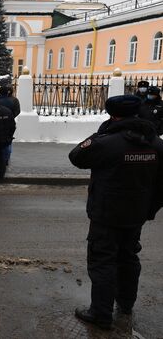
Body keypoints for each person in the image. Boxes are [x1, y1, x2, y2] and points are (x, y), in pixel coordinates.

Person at [69, 95, 163, 330]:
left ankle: (100, 313)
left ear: (113, 115)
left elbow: (76, 156)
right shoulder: (155, 143)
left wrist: (101, 133)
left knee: (103, 260)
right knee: (128, 258)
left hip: (106, 214)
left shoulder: (107, 142)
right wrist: (149, 209)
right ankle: (125, 304)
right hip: (136, 214)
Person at [0, 85, 21, 165]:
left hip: (1, 121)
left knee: (3, 140)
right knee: (8, 140)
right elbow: (17, 110)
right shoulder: (14, 100)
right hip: (10, 122)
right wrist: (11, 117)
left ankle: (3, 157)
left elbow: (17, 110)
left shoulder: (0, 100)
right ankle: (6, 157)